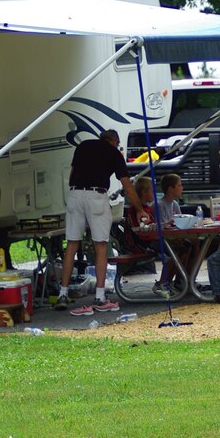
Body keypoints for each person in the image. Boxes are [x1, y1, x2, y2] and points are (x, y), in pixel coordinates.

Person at [56, 130, 147, 315]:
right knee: (101, 246)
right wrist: (139, 208)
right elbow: (126, 184)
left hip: (74, 194)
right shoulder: (113, 152)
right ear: (114, 141)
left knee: (72, 244)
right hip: (96, 196)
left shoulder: (83, 146)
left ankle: (62, 294)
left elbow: (73, 173)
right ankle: (99, 296)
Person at [153, 173, 190, 296]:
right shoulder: (159, 205)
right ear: (170, 189)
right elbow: (161, 227)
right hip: (158, 239)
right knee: (174, 252)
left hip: (172, 238)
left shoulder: (175, 204)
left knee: (189, 247)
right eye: (179, 185)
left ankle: (179, 280)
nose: (182, 188)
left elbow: (180, 222)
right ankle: (163, 282)